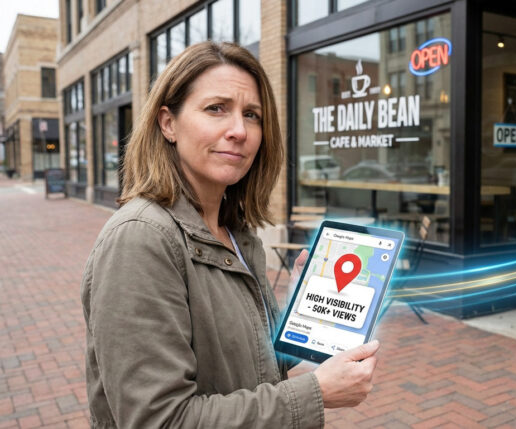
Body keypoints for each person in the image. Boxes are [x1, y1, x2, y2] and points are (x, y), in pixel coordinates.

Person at [81, 41, 379, 429]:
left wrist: (306, 313)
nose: (239, 130)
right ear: (168, 123)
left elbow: (249, 363)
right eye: (216, 108)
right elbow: (159, 420)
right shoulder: (140, 239)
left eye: (252, 114)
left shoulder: (233, 232)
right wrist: (315, 394)